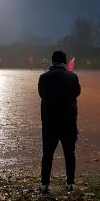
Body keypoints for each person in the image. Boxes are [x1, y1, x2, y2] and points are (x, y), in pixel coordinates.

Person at [38, 51, 81, 193]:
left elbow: (41, 94)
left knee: (48, 154)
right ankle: (70, 183)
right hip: (68, 122)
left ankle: (44, 183)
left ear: (52, 62)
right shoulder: (72, 77)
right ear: (64, 62)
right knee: (70, 153)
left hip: (50, 122)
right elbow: (77, 93)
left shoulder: (44, 77)